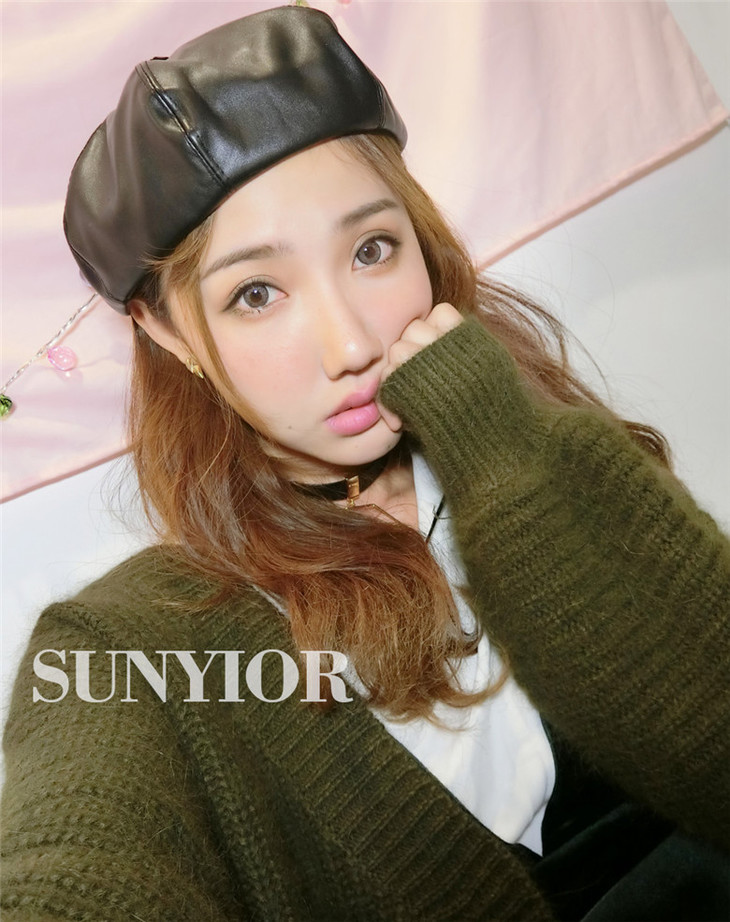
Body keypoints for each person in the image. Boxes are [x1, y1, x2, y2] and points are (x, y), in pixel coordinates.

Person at [2, 6, 728, 921]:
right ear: (167, 332)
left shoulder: (555, 453)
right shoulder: (121, 648)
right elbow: (76, 861)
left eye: (372, 250)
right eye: (256, 293)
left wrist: (504, 448)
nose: (351, 344)